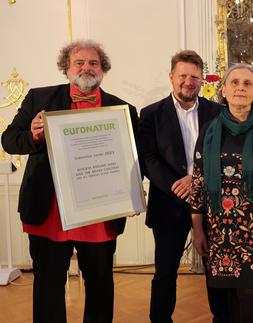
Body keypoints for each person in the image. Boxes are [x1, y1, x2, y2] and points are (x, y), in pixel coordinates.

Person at [1, 40, 138, 323]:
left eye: (93, 63)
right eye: (80, 62)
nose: (86, 68)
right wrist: (35, 136)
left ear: (103, 69)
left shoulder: (123, 109)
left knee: (101, 287)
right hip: (49, 212)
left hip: (99, 215)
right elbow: (9, 140)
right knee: (48, 288)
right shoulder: (39, 98)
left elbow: (134, 160)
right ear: (66, 68)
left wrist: (133, 194)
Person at [189, 63, 253, 323]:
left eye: (247, 83)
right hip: (217, 230)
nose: (240, 88)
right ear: (223, 89)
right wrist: (198, 230)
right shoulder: (209, 130)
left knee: (249, 298)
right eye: (234, 82)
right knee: (221, 303)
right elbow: (199, 184)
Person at [138, 50, 228, 323]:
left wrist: (197, 180)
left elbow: (226, 155)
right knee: (165, 272)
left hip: (213, 205)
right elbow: (148, 158)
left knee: (218, 272)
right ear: (171, 77)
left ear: (201, 80)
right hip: (168, 204)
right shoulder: (151, 113)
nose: (188, 82)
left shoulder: (218, 112)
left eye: (194, 77)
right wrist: (178, 186)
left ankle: (222, 319)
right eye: (183, 76)